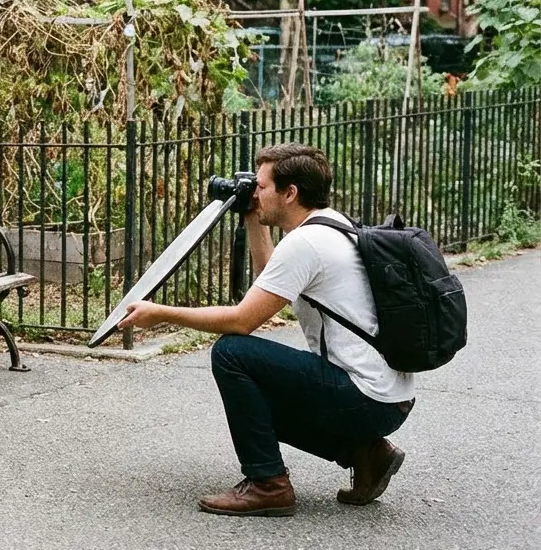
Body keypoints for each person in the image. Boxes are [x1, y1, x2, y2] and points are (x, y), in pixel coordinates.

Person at [120, 143, 415, 516]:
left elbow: (242, 321)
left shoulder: (306, 243)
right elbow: (271, 275)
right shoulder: (331, 225)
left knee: (232, 353)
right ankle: (367, 454)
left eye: (260, 186)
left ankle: (268, 483)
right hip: (387, 398)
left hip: (365, 398)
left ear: (290, 193)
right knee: (256, 393)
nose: (254, 192)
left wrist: (162, 313)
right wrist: (252, 218)